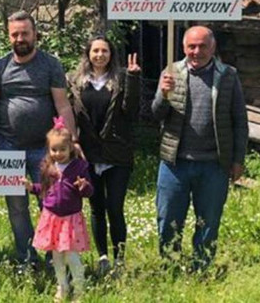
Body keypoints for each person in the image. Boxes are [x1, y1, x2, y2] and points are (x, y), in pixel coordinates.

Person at [0, 10, 77, 268]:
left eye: (25, 33)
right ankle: (26, 257)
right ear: (8, 36)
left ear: (35, 34)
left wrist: (72, 139)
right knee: (16, 207)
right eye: (15, 34)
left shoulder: (51, 64)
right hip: (7, 147)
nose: (20, 38)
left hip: (44, 149)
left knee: (51, 204)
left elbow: (62, 105)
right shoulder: (0, 67)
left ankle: (53, 257)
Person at [151, 25, 248, 270]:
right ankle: (170, 266)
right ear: (184, 47)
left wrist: (238, 160)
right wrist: (163, 94)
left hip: (214, 164)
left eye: (202, 46)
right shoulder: (171, 72)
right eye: (191, 46)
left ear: (212, 47)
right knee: (168, 218)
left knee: (208, 221)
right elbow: (156, 113)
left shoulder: (228, 75)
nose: (197, 51)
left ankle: (201, 269)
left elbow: (239, 120)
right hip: (174, 163)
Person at [67, 35, 140, 274]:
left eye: (104, 51)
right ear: (88, 54)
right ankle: (103, 257)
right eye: (95, 51)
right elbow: (69, 114)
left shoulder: (121, 79)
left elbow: (132, 112)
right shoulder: (76, 81)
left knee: (115, 207)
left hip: (117, 154)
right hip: (88, 154)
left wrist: (134, 79)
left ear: (111, 54)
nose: (100, 55)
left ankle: (120, 259)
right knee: (97, 207)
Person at [24, 118, 93, 301]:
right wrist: (31, 187)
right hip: (52, 217)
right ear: (49, 149)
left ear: (71, 148)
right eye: (54, 149)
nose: (58, 153)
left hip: (70, 218)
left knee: (71, 255)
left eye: (62, 149)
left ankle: (79, 287)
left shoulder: (79, 167)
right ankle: (62, 286)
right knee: (56, 256)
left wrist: (84, 186)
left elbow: (89, 192)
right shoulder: (48, 167)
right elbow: (44, 189)